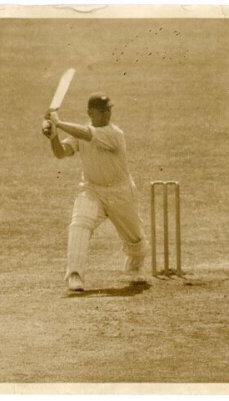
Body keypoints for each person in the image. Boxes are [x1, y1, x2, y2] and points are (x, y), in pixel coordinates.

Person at [42, 92, 148, 291]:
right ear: (90, 113)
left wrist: (59, 122)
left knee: (136, 241)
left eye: (108, 110)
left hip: (121, 192)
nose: (107, 114)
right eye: (102, 111)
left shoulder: (114, 133)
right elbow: (61, 153)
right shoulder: (80, 132)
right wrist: (53, 135)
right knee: (79, 225)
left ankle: (135, 266)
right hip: (92, 190)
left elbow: (87, 134)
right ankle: (75, 274)